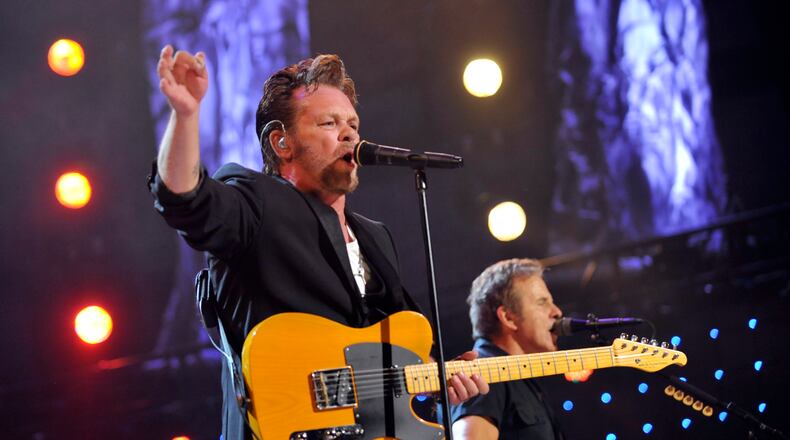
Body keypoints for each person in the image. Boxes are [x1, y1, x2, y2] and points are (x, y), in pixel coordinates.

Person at [148, 45, 487, 439]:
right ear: (282, 143)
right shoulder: (255, 202)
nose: (349, 133)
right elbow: (188, 202)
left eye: (353, 124)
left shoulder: (375, 237)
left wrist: (441, 377)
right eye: (329, 123)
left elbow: (397, 349)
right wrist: (185, 116)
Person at [451, 258, 564, 439]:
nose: (557, 312)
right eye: (542, 302)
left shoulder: (519, 378)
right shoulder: (484, 373)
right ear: (508, 317)